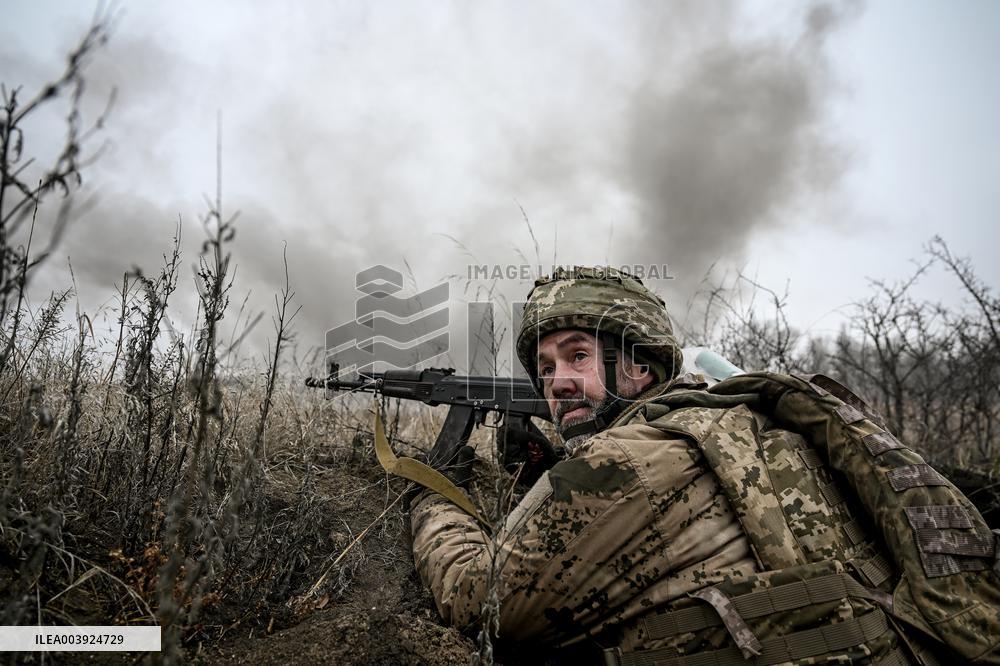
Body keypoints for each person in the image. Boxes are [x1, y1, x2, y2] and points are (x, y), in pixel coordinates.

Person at [408, 266, 908, 664]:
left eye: (577, 356)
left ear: (639, 365)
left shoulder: (627, 461)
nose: (556, 383)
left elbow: (476, 600)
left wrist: (434, 497)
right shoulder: (742, 420)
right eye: (545, 367)